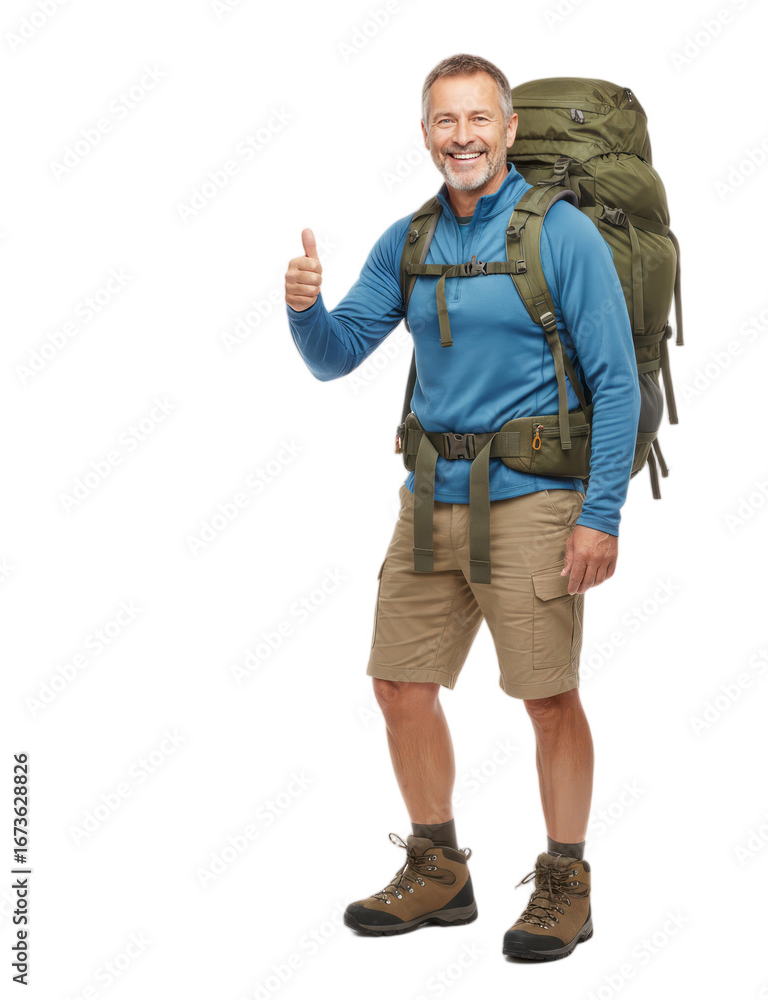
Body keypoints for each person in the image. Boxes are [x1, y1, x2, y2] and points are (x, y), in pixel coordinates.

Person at [284, 53, 640, 962]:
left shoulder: (562, 234)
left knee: (547, 699)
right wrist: (306, 309)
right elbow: (335, 356)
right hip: (429, 498)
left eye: (480, 118)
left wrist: (600, 514)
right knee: (399, 687)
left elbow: (617, 382)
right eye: (446, 121)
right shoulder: (409, 241)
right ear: (425, 134)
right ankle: (439, 868)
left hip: (535, 501)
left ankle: (566, 882)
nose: (463, 137)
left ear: (509, 130)